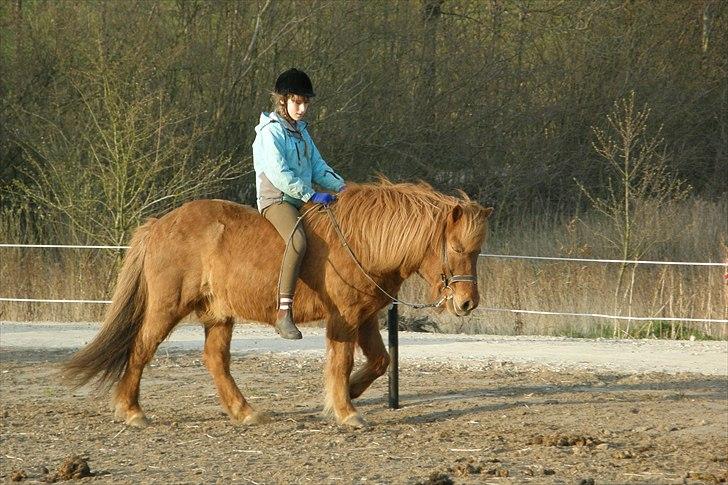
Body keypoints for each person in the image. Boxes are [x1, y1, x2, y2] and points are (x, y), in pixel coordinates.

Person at [252, 68, 346, 339]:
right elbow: (279, 173)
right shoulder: (270, 133)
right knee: (298, 242)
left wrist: (343, 187)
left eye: (306, 102)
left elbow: (318, 166)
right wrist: (310, 195)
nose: (302, 108)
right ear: (283, 101)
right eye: (297, 102)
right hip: (277, 199)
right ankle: (283, 313)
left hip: (301, 199)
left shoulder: (301, 132)